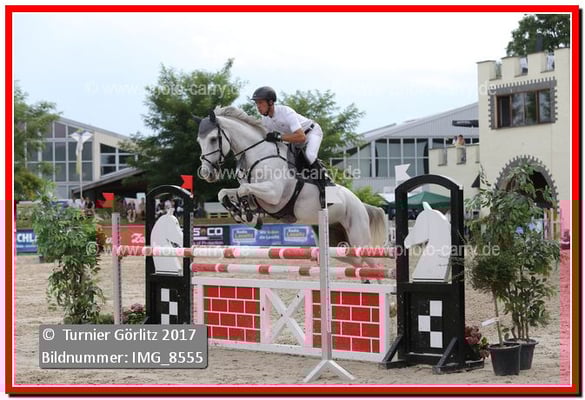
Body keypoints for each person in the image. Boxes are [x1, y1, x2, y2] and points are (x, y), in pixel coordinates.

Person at [251, 86, 324, 170]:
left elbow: (301, 137)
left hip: (311, 132)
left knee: (310, 156)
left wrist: (278, 137)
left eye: (260, 102)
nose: (258, 106)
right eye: (256, 103)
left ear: (270, 102)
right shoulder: (265, 120)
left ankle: (324, 177)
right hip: (294, 140)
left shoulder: (286, 112)